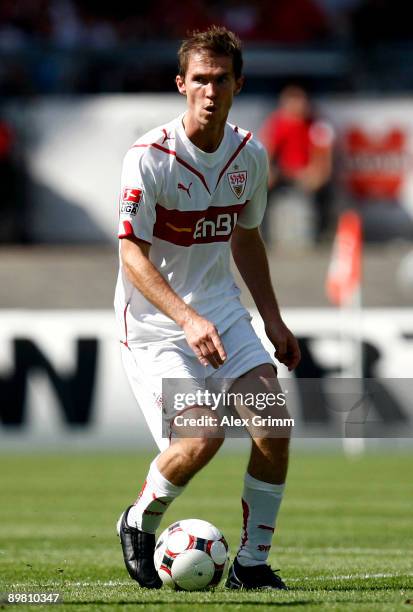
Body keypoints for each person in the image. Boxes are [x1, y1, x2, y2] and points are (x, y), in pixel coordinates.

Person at [114, 26, 301, 591]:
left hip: (222, 311)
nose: (210, 90)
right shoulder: (149, 159)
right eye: (199, 79)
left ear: (238, 83)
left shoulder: (251, 155)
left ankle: (251, 563)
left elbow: (247, 237)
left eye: (221, 79)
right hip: (155, 327)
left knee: (273, 424)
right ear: (181, 84)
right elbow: (130, 254)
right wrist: (186, 320)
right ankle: (137, 519)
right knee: (202, 438)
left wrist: (272, 317)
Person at [259, 85, 334, 246]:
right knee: (262, 191)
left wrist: (317, 175)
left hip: (307, 173)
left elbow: (323, 158)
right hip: (284, 173)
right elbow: (266, 153)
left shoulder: (317, 125)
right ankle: (262, 235)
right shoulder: (276, 123)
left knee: (326, 191)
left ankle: (321, 234)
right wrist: (269, 172)